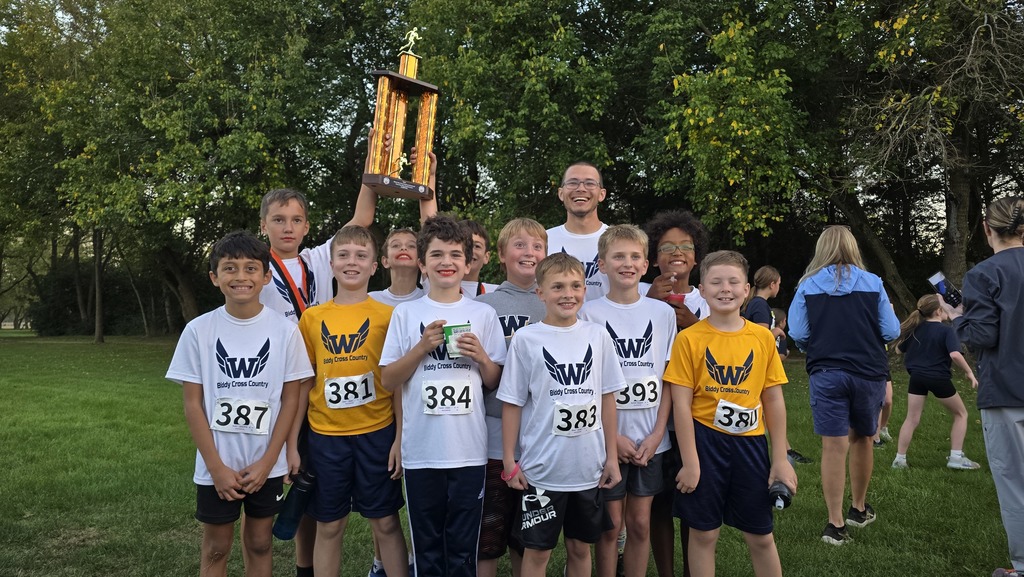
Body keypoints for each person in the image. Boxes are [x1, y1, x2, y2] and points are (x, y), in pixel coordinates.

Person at [166, 231, 313, 577]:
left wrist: (268, 462)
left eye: (251, 268)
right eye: (229, 269)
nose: (241, 277)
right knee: (217, 547)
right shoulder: (198, 331)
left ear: (266, 277)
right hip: (218, 464)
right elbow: (192, 404)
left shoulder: (285, 331)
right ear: (215, 278)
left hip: (266, 462)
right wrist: (216, 467)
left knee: (260, 542)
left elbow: (291, 399)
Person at [380, 214, 507, 577]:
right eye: (436, 255)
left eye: (455, 255)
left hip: (468, 450)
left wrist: (481, 356)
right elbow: (389, 380)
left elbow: (494, 381)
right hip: (422, 452)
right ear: (422, 264)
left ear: (469, 263)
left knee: (464, 543)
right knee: (428, 544)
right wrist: (421, 348)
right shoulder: (407, 314)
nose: (446, 262)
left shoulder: (482, 313)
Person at [664, 250, 795, 577]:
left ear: (747, 289)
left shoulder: (762, 338)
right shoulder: (689, 339)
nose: (725, 288)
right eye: (716, 282)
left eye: (733, 281)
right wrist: (691, 462)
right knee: (704, 532)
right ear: (702, 290)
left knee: (761, 535)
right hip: (704, 444)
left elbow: (774, 400)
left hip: (750, 446)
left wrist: (780, 458)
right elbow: (681, 404)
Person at [290, 226, 409, 577]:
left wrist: (400, 438)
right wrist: (292, 444)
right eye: (343, 255)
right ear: (331, 264)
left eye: (361, 255)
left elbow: (397, 383)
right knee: (329, 525)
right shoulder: (312, 318)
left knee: (385, 522)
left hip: (378, 433)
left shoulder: (389, 317)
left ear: (375, 266)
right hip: (326, 436)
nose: (352, 262)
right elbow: (304, 381)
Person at [497, 252, 625, 577]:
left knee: (581, 548)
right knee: (537, 552)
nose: (568, 294)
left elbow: (608, 399)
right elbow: (511, 403)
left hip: (588, 468)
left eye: (575, 286)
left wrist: (612, 457)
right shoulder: (526, 340)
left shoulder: (597, 337)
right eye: (557, 287)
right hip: (542, 470)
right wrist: (510, 461)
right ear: (540, 293)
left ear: (585, 289)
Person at [787, 225, 900, 546]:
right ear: (853, 247)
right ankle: (858, 509)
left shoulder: (806, 286)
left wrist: (820, 345)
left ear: (821, 249)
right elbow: (890, 332)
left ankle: (835, 524)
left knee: (833, 446)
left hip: (826, 372)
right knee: (864, 438)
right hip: (868, 372)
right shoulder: (873, 283)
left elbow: (799, 332)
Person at [579, 225, 676, 577]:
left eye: (635, 256)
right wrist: (611, 437)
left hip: (651, 439)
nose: (627, 263)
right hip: (609, 440)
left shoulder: (661, 313)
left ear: (646, 264)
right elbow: (586, 383)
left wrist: (657, 434)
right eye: (618, 256)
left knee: (639, 524)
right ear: (601, 264)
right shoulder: (588, 314)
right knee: (610, 526)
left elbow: (669, 379)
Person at [946, 196, 1024, 577]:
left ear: (986, 228)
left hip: (1008, 392)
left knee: (1015, 486)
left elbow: (982, 335)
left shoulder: (985, 274)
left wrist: (956, 318)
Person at [475, 218, 550, 577]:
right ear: (501, 254)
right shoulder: (481, 306)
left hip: (539, 437)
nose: (529, 253)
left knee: (530, 533)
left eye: (537, 246)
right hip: (491, 435)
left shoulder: (556, 304)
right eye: (520, 245)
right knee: (488, 530)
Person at [640, 209, 710, 577]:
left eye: (685, 246)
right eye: (667, 247)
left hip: (695, 421)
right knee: (659, 505)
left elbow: (720, 357)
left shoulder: (709, 302)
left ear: (696, 257)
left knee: (692, 503)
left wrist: (694, 327)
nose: (676, 253)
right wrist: (649, 301)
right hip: (652, 420)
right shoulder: (640, 296)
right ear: (654, 258)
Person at [889, 294, 980, 470]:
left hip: (917, 378)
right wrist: (969, 372)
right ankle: (955, 457)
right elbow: (954, 354)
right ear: (939, 311)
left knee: (912, 418)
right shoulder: (947, 330)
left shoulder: (916, 328)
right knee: (961, 414)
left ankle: (899, 460)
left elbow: (899, 350)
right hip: (938, 378)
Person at [742, 266, 812, 465]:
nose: (779, 287)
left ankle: (785, 450)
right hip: (757, 365)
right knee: (767, 408)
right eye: (779, 284)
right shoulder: (760, 305)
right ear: (772, 284)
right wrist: (778, 334)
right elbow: (758, 337)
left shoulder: (756, 304)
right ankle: (781, 452)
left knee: (767, 409)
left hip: (759, 363)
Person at [547, 161, 609, 301]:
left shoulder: (618, 241)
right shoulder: (543, 241)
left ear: (602, 194)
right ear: (561, 193)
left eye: (590, 183)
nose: (581, 188)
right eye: (573, 183)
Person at [460, 219, 500, 297]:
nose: (470, 251)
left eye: (477, 246)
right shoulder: (434, 288)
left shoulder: (496, 293)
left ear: (486, 257)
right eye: (465, 245)